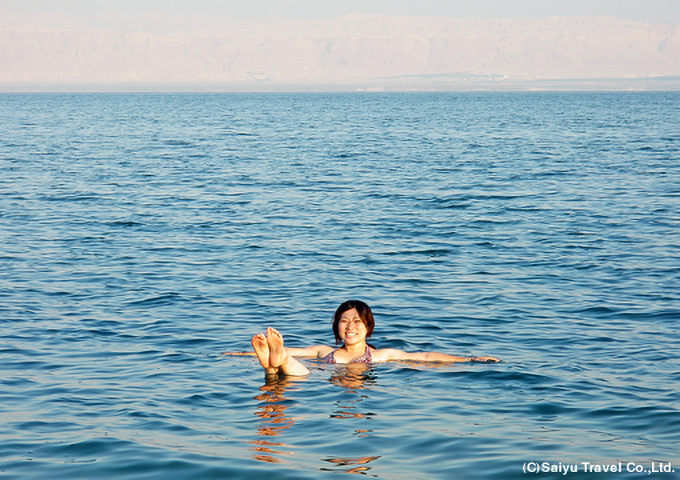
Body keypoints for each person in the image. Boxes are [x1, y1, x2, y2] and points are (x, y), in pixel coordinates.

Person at [241, 300, 500, 376]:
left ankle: (275, 359)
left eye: (356, 321)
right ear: (337, 328)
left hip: (313, 378)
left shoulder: (379, 356)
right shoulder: (324, 351)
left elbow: (423, 356)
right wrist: (239, 354)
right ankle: (272, 359)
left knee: (293, 372)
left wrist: (468, 358)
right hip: (322, 374)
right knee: (288, 369)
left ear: (368, 327)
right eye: (344, 321)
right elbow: (301, 349)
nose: (350, 326)